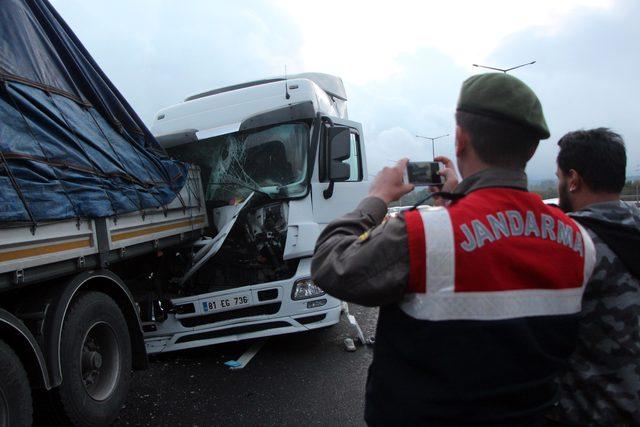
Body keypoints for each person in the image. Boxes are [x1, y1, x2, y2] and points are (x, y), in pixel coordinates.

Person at [310, 73, 596, 426]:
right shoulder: (579, 241)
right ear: (533, 148)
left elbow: (330, 264)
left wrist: (377, 198)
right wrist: (461, 202)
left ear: (459, 140)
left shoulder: (422, 234)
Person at [548, 129, 640, 426]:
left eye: (560, 176)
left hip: (598, 414)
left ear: (573, 180)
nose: (560, 183)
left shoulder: (570, 243)